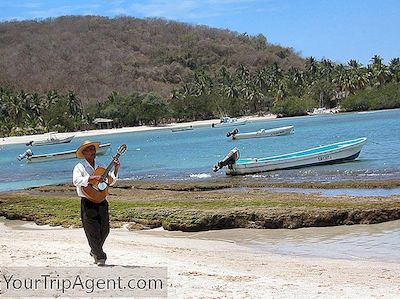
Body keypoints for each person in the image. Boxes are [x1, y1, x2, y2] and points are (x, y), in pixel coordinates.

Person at [72, 140, 120, 266]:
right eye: (89, 150)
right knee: (92, 230)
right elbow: (76, 181)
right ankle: (100, 256)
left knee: (105, 230)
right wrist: (92, 178)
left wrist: (115, 169)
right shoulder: (80, 167)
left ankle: (94, 250)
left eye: (93, 149)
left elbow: (111, 181)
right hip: (88, 201)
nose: (92, 152)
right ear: (84, 153)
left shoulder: (101, 165)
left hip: (101, 200)